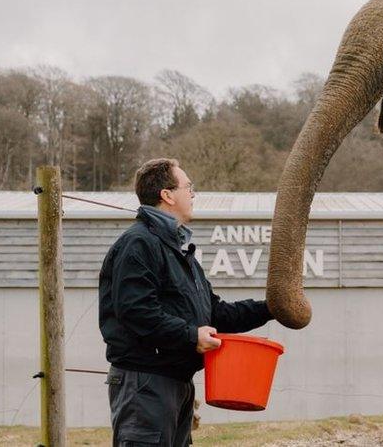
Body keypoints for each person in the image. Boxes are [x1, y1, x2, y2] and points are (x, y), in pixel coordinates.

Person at [99, 158, 273, 446]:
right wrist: (191, 336)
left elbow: (214, 314)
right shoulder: (138, 244)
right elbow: (137, 312)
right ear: (167, 195)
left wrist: (270, 309)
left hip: (176, 381)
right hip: (146, 383)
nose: (193, 194)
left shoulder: (179, 253)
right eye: (188, 187)